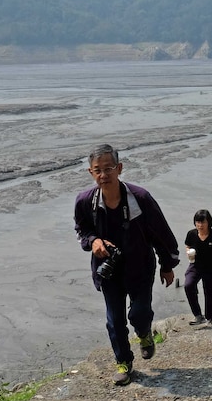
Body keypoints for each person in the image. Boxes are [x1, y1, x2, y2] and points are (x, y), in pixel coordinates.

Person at [74, 144, 180, 385]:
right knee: (115, 320)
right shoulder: (85, 202)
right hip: (108, 270)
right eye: (97, 170)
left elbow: (161, 233)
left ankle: (144, 333)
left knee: (140, 313)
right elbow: (82, 230)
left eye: (108, 168)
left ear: (119, 168)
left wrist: (167, 264)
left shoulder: (139, 198)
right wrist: (94, 241)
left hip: (140, 266)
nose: (103, 175)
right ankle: (123, 362)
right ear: (91, 173)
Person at [184, 209, 212, 326]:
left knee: (209, 293)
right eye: (197, 222)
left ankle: (209, 318)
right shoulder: (191, 234)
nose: (200, 225)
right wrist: (189, 252)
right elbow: (187, 246)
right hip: (195, 265)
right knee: (188, 285)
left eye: (202, 222)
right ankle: (198, 316)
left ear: (208, 222)